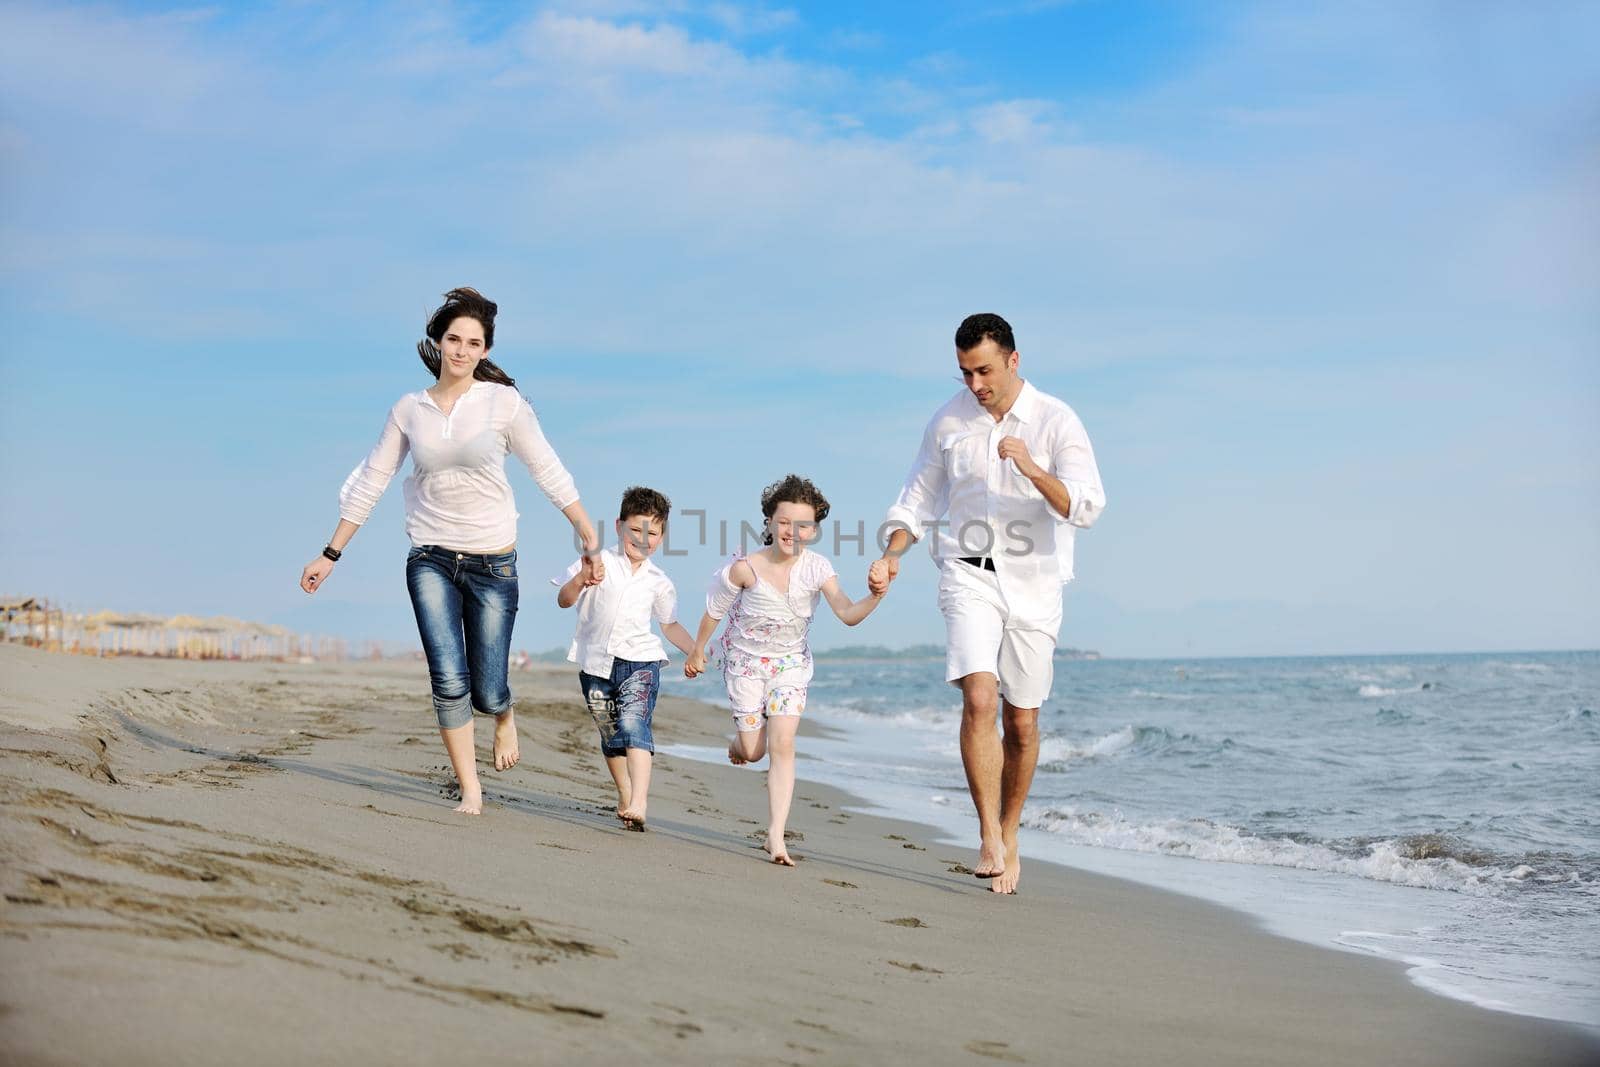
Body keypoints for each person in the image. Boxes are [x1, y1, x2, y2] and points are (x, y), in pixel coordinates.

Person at [299, 287, 601, 816]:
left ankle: (503, 716)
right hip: (431, 558)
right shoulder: (408, 410)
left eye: (473, 343)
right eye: (453, 339)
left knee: (487, 688)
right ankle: (471, 788)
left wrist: (585, 531)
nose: (461, 350)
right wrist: (331, 553)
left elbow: (546, 467)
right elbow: (371, 481)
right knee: (447, 676)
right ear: (437, 342)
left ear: (485, 351)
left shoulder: (503, 404)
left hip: (493, 563)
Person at [869, 313, 1105, 894]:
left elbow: (1087, 506)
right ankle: (987, 837)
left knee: (1021, 721)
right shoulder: (947, 422)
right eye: (964, 373)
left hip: (1036, 583)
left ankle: (1011, 828)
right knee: (979, 697)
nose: (974, 385)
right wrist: (893, 554)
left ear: (1013, 360)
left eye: (984, 371)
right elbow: (917, 499)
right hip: (967, 572)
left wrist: (1031, 466)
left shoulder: (1057, 420)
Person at [684, 475, 884, 865]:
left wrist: (875, 596)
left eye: (804, 524)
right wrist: (696, 652)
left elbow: (847, 613)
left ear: (814, 528)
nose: (794, 531)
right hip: (744, 664)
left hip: (790, 666)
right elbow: (714, 612)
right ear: (770, 523)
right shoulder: (745, 569)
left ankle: (775, 836)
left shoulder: (817, 569)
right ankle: (738, 744)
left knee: (783, 744)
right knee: (754, 751)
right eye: (786, 522)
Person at [553, 486, 695, 830]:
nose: (643, 539)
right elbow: (563, 599)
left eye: (653, 533)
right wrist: (582, 577)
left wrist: (694, 649)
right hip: (594, 664)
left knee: (634, 724)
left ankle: (640, 801)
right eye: (636, 530)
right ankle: (625, 792)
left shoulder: (659, 581)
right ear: (619, 526)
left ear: (662, 537)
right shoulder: (596, 561)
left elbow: (669, 624)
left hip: (640, 662)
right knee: (611, 735)